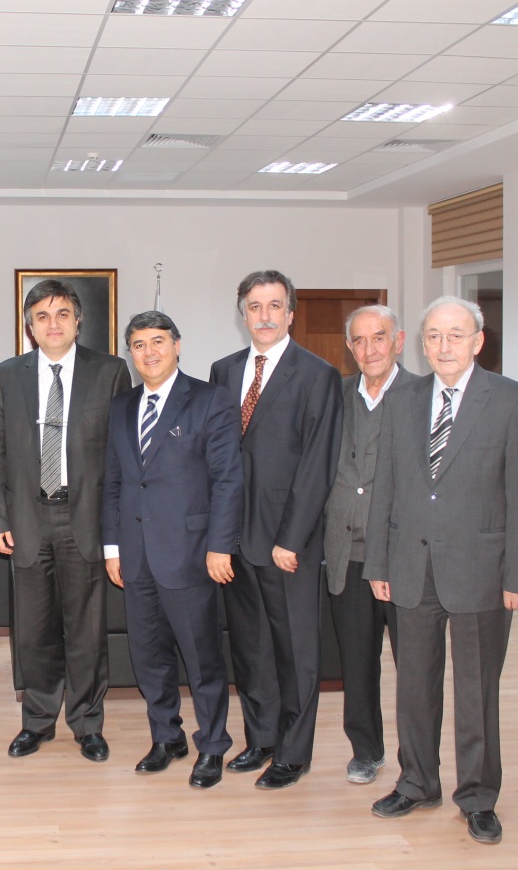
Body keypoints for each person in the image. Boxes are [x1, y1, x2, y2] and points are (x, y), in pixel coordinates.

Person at [364, 295, 518, 845]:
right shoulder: (402, 399)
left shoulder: (512, 401)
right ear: (421, 342)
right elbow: (386, 486)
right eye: (434, 336)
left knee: (477, 691)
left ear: (478, 341)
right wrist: (378, 561)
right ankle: (417, 783)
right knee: (414, 685)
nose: (444, 346)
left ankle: (479, 797)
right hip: (411, 566)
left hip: (481, 570)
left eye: (456, 335)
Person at [0, 280, 131, 762]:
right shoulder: (7, 375)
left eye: (63, 314)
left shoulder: (109, 372)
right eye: (43, 316)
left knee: (86, 630)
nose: (53, 324)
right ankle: (37, 721)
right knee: (33, 631)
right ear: (30, 326)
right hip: (27, 518)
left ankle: (87, 723)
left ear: (78, 321)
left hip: (84, 517)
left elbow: (121, 457)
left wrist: (116, 527)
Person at [208, 270, 342, 790]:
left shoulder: (317, 374)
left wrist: (292, 537)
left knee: (295, 651)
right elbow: (219, 457)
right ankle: (261, 738)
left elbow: (317, 465)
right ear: (242, 314)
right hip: (236, 540)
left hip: (286, 542)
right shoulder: (223, 371)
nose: (264, 316)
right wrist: (218, 536)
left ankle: (293, 752)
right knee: (250, 648)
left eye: (274, 306)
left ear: (291, 314)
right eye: (254, 306)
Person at [103, 311, 243, 789]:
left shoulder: (209, 400)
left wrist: (220, 546)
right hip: (135, 554)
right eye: (139, 344)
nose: (150, 352)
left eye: (158, 341)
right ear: (131, 353)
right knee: (149, 655)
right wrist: (112, 547)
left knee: (202, 659)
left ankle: (213, 745)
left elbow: (228, 480)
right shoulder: (121, 406)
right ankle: (167, 737)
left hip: (191, 553)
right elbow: (114, 482)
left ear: (177, 345)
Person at [322, 304, 411, 784]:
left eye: (379, 337)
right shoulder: (333, 395)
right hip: (346, 554)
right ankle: (365, 751)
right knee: (357, 664)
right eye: (359, 340)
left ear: (398, 340)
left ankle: (416, 761)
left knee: (413, 668)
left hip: (402, 557)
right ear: (349, 347)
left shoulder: (422, 395)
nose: (369, 348)